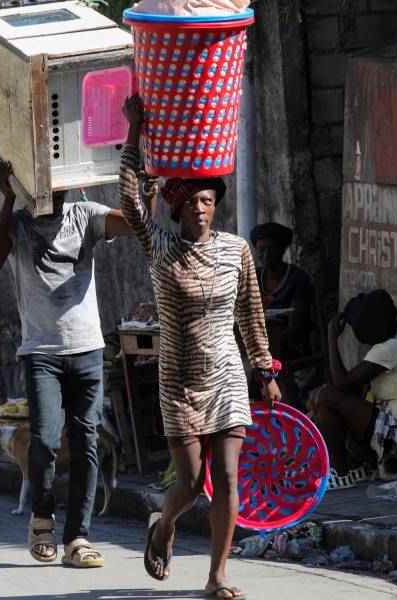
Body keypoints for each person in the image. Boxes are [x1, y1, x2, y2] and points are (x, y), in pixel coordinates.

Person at [120, 95, 281, 600]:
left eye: (208, 200)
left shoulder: (236, 250)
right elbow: (129, 203)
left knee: (229, 479)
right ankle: (163, 524)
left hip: (228, 376)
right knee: (189, 486)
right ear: (177, 208)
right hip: (179, 380)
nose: (201, 209)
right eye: (192, 202)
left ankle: (217, 577)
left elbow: (251, 313)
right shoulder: (162, 247)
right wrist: (134, 132)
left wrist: (264, 368)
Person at [0, 158, 137, 569]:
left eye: (61, 180)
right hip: (41, 352)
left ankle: (78, 538)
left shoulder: (86, 215)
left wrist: (142, 187)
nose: (55, 189)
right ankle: (42, 519)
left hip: (86, 349)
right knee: (46, 440)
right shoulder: (16, 222)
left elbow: (136, 224)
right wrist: (7, 198)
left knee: (87, 443)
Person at [313, 289, 397, 489]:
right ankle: (352, 467)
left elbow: (342, 384)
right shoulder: (392, 345)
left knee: (326, 396)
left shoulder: (388, 350)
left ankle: (341, 473)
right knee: (326, 398)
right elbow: (348, 390)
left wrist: (331, 339)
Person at [250, 222, 314, 360]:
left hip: (289, 345)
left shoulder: (298, 278)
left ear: (282, 250)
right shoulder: (253, 276)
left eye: (272, 249)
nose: (266, 255)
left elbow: (295, 329)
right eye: (261, 249)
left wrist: (264, 344)